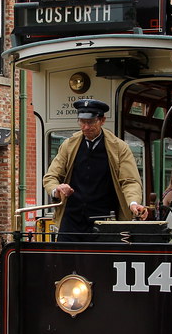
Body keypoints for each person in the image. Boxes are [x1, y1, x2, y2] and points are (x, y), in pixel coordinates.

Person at [43, 99, 147, 241]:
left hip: (104, 221)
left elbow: (130, 181)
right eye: (81, 122)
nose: (85, 127)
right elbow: (51, 177)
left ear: (102, 120)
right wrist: (56, 189)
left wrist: (134, 203)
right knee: (65, 261)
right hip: (71, 221)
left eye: (91, 122)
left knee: (101, 261)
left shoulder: (119, 147)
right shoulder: (69, 145)